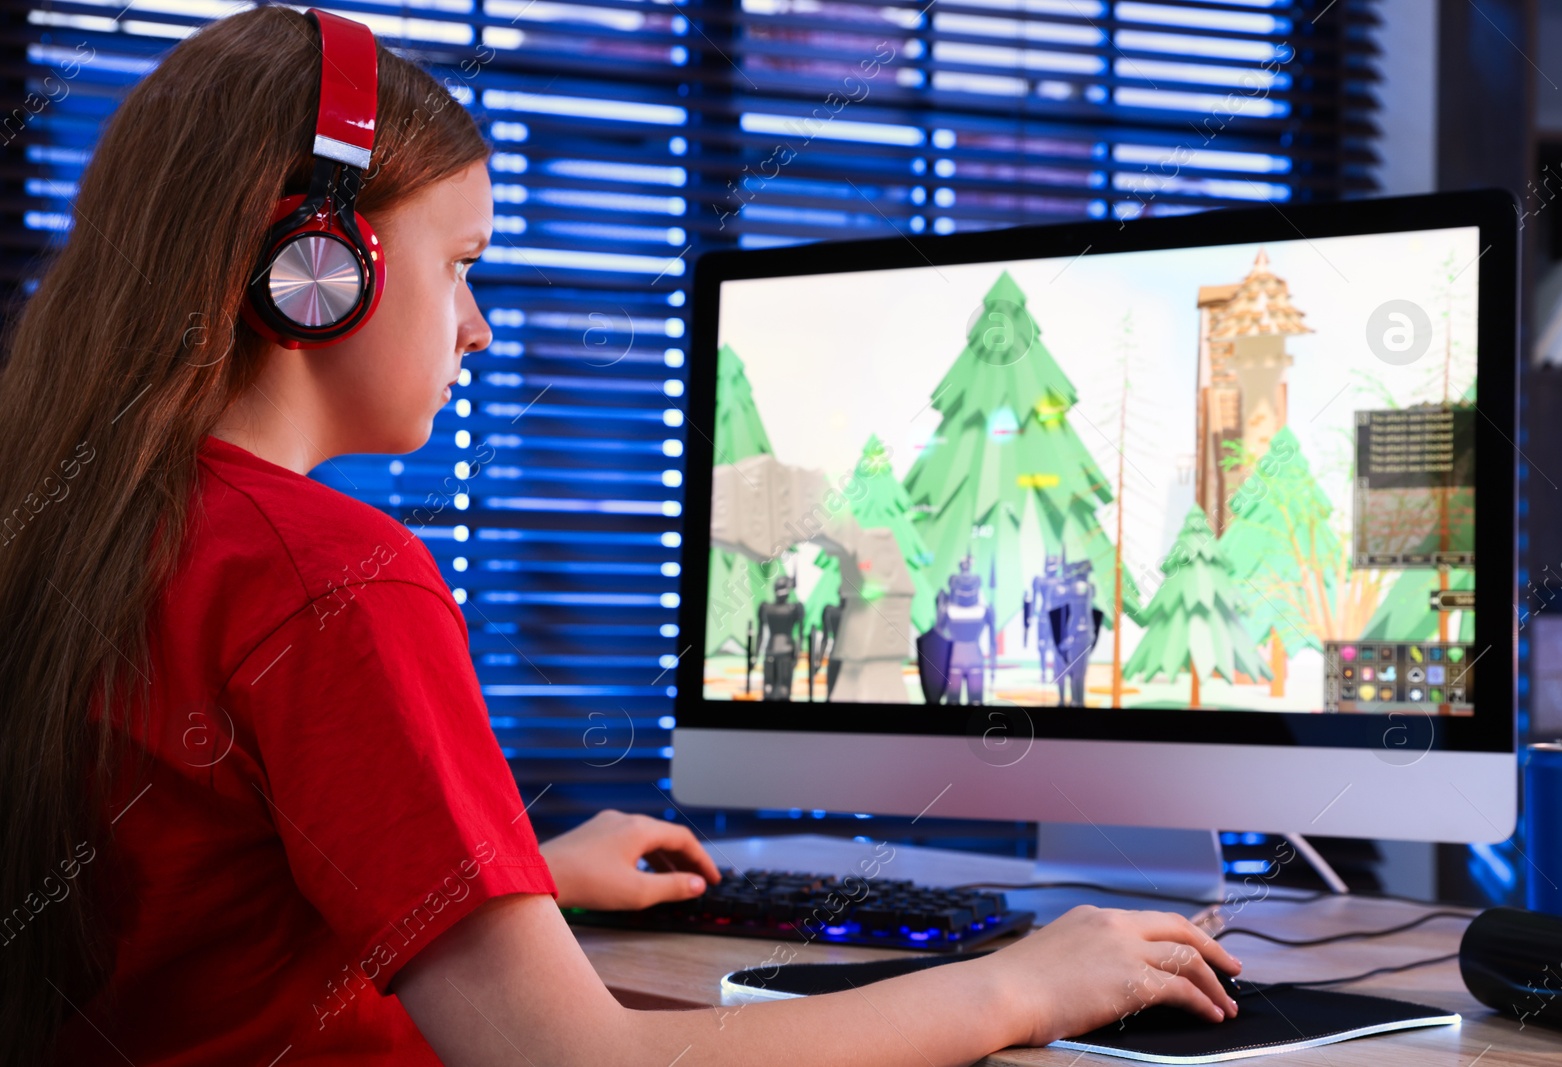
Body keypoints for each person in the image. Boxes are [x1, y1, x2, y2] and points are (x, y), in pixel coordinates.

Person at [0, 8, 1241, 1066]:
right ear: (322, 266)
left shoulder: (103, 526)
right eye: (463, 265)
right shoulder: (327, 576)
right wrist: (1025, 981)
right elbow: (578, 1059)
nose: (478, 328)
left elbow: (207, 894)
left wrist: (511, 871)